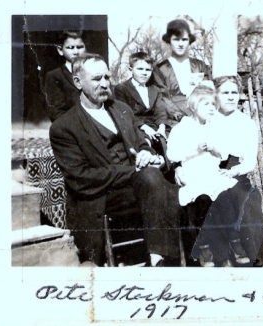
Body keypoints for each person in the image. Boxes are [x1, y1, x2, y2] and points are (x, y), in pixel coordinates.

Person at [49, 53, 182, 267]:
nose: (104, 84)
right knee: (156, 182)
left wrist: (146, 153)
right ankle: (164, 260)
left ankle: (160, 257)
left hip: (140, 186)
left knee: (175, 188)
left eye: (107, 78)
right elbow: (80, 178)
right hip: (101, 196)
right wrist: (133, 171)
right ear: (77, 82)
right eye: (96, 79)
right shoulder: (64, 127)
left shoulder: (121, 109)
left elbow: (141, 143)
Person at [177, 76, 263, 267]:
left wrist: (234, 172)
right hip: (205, 173)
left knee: (244, 197)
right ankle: (218, 255)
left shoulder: (246, 123)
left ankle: (251, 255)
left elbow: (250, 160)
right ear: (215, 95)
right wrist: (179, 167)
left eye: (234, 92)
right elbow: (185, 146)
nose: (231, 97)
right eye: (225, 92)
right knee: (207, 200)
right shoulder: (206, 118)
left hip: (235, 172)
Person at [166, 85, 237, 207]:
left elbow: (224, 154)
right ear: (193, 106)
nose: (211, 108)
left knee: (231, 193)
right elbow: (173, 155)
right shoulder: (182, 128)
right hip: (192, 173)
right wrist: (196, 150)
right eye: (206, 104)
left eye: (213, 105)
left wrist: (214, 148)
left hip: (212, 172)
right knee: (201, 199)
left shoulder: (215, 128)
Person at [153, 19, 210, 125]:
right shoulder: (160, 69)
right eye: (176, 39)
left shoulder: (199, 65)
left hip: (200, 114)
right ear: (169, 41)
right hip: (173, 119)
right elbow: (163, 98)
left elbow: (207, 93)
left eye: (184, 39)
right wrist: (181, 118)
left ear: (189, 41)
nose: (180, 44)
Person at [114, 52, 173, 143]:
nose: (144, 73)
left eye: (148, 70)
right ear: (131, 69)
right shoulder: (122, 88)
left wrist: (162, 127)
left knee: (172, 140)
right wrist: (145, 128)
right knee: (145, 142)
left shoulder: (155, 90)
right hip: (135, 126)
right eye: (140, 69)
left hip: (156, 126)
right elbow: (125, 114)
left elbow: (160, 111)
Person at [45, 30, 87, 122]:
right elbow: (55, 111)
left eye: (80, 47)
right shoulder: (55, 76)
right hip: (70, 127)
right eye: (70, 47)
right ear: (60, 50)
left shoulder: (93, 72)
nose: (76, 52)